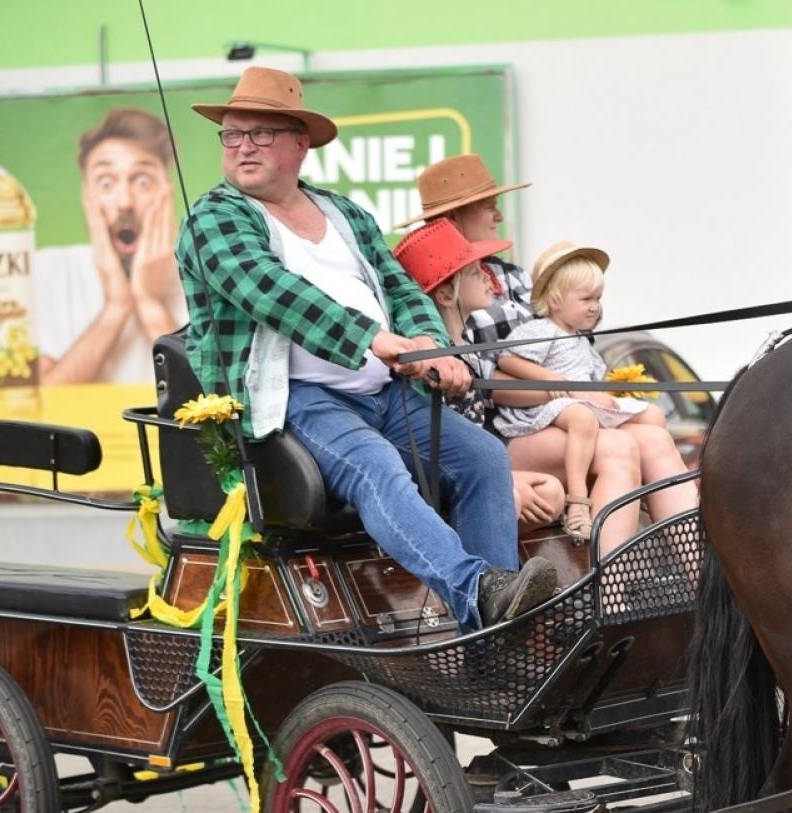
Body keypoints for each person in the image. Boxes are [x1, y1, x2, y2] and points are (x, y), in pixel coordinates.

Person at [173, 67, 555, 630]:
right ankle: (482, 596)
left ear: (299, 144)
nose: (242, 147)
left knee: (483, 457)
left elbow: (400, 287)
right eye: (232, 134)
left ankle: (492, 638)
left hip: (382, 389)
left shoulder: (343, 212)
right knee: (376, 469)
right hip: (294, 400)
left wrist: (427, 343)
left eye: (261, 134)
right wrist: (373, 339)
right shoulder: (215, 218)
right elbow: (271, 292)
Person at [495, 242, 697, 541]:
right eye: (586, 298)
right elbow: (507, 360)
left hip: (576, 403)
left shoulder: (580, 339)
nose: (595, 306)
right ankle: (578, 500)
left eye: (598, 298)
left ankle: (654, 501)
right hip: (548, 412)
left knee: (653, 417)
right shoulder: (541, 330)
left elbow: (590, 380)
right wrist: (552, 381)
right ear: (554, 299)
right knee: (584, 419)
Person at [389, 218, 567, 533]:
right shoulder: (435, 365)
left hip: (479, 464)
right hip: (445, 474)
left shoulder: (469, 346)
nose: (488, 277)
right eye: (473, 272)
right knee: (519, 494)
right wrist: (503, 482)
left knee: (549, 491)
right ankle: (485, 575)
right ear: (445, 296)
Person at [35, 107, 188, 385]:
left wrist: (149, 302)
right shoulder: (51, 270)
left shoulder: (201, 272)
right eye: (106, 182)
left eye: (142, 181)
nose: (125, 202)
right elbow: (44, 404)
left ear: (167, 193)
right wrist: (117, 307)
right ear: (87, 196)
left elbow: (211, 401)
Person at [396, 154, 532, 347]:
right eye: (490, 207)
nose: (499, 217)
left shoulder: (516, 274)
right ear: (452, 217)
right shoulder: (429, 293)